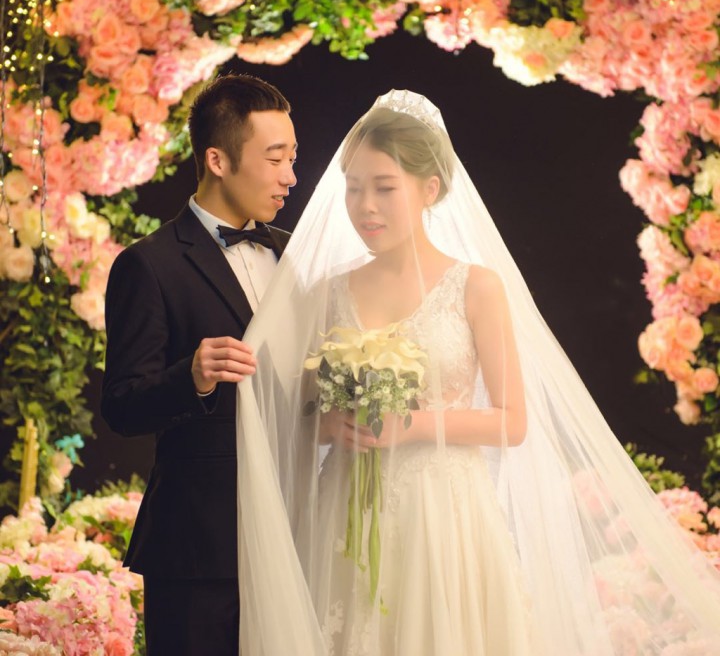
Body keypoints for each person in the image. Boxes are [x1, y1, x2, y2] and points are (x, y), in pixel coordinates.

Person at [232, 89, 720, 656]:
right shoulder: (326, 292)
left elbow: (511, 422)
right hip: (345, 514)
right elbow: (295, 408)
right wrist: (328, 425)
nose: (365, 206)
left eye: (384, 188)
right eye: (354, 187)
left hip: (445, 515)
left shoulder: (476, 287)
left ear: (429, 189)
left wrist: (407, 426)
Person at [101, 73, 297, 656]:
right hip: (198, 549)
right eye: (275, 159)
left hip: (295, 534)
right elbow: (123, 406)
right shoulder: (149, 264)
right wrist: (191, 378)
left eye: (293, 158)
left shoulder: (295, 253)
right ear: (217, 159)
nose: (290, 176)